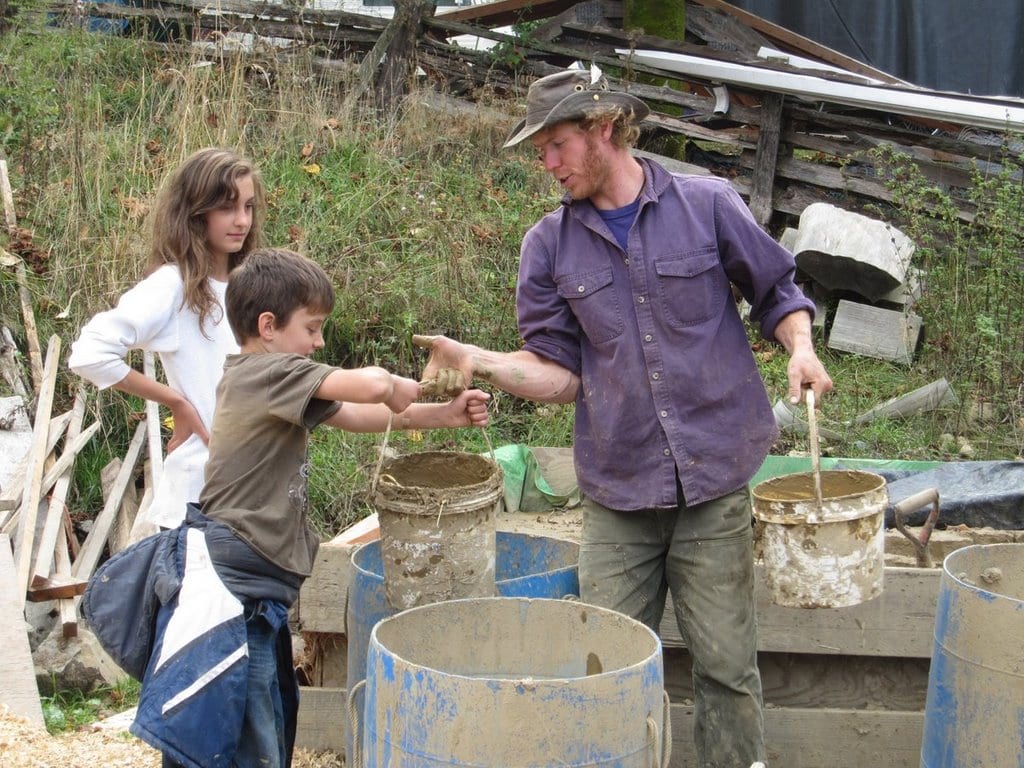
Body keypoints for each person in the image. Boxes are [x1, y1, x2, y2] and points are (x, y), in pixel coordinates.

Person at [414, 67, 833, 768]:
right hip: (619, 487)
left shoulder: (707, 204)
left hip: (715, 477)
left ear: (604, 128)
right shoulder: (547, 246)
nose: (547, 164)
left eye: (556, 145)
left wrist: (801, 349)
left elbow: (776, 290)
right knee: (604, 669)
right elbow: (559, 378)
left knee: (727, 670)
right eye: (539, 150)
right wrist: (481, 359)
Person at [117, 247, 490, 768]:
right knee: (245, 738)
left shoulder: (272, 379)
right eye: (312, 328)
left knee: (265, 722)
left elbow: (360, 414)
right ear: (268, 326)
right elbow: (374, 388)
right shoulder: (264, 373)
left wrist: (443, 415)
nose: (318, 342)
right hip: (233, 591)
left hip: (258, 594)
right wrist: (412, 385)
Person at [68, 147, 263, 535]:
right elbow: (90, 352)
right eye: (227, 208)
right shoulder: (175, 286)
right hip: (200, 498)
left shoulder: (253, 285)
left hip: (255, 493)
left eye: (249, 206)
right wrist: (176, 401)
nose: (241, 220)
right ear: (195, 212)